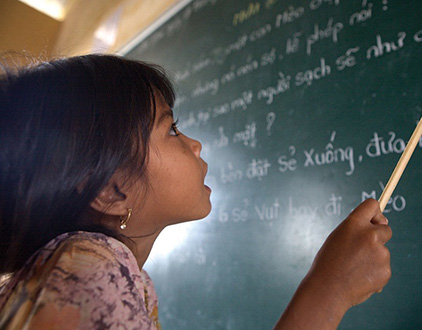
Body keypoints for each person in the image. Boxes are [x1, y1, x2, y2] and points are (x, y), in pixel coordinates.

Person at [0, 54, 391, 329]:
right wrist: (329, 291)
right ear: (112, 191)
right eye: (170, 129)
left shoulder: (89, 268)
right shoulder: (88, 267)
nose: (195, 145)